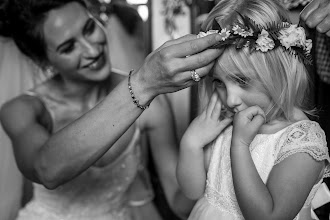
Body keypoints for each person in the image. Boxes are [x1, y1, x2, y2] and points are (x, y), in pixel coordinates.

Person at [0, 0, 224, 219]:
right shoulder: (21, 110)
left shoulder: (154, 104)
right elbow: (46, 170)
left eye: (89, 28)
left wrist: (208, 155)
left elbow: (179, 202)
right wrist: (143, 83)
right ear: (44, 61)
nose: (91, 49)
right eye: (68, 47)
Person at [176, 0, 330, 219]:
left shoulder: (301, 142)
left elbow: (267, 217)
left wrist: (240, 145)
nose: (230, 99)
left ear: (280, 72)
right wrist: (191, 143)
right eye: (218, 82)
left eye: (242, 80)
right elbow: (192, 193)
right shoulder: (226, 121)